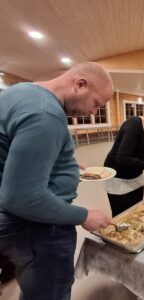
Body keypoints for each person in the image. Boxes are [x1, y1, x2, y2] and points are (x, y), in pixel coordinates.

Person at [0, 62, 113, 299]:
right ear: (80, 84)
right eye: (96, 104)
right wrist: (83, 215)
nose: (94, 112)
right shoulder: (46, 114)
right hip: (37, 228)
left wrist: (66, 164)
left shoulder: (21, 92)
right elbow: (22, 197)